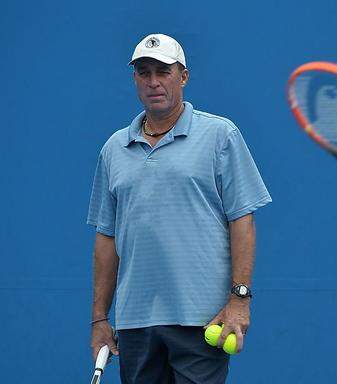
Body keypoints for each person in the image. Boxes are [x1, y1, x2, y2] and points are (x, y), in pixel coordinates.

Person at [87, 33, 271, 383]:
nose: (154, 81)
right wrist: (99, 318)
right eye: (144, 72)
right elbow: (106, 239)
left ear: (183, 76)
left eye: (163, 71)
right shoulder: (113, 149)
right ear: (135, 79)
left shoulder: (220, 135)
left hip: (201, 320)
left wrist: (240, 298)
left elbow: (242, 220)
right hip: (134, 323)